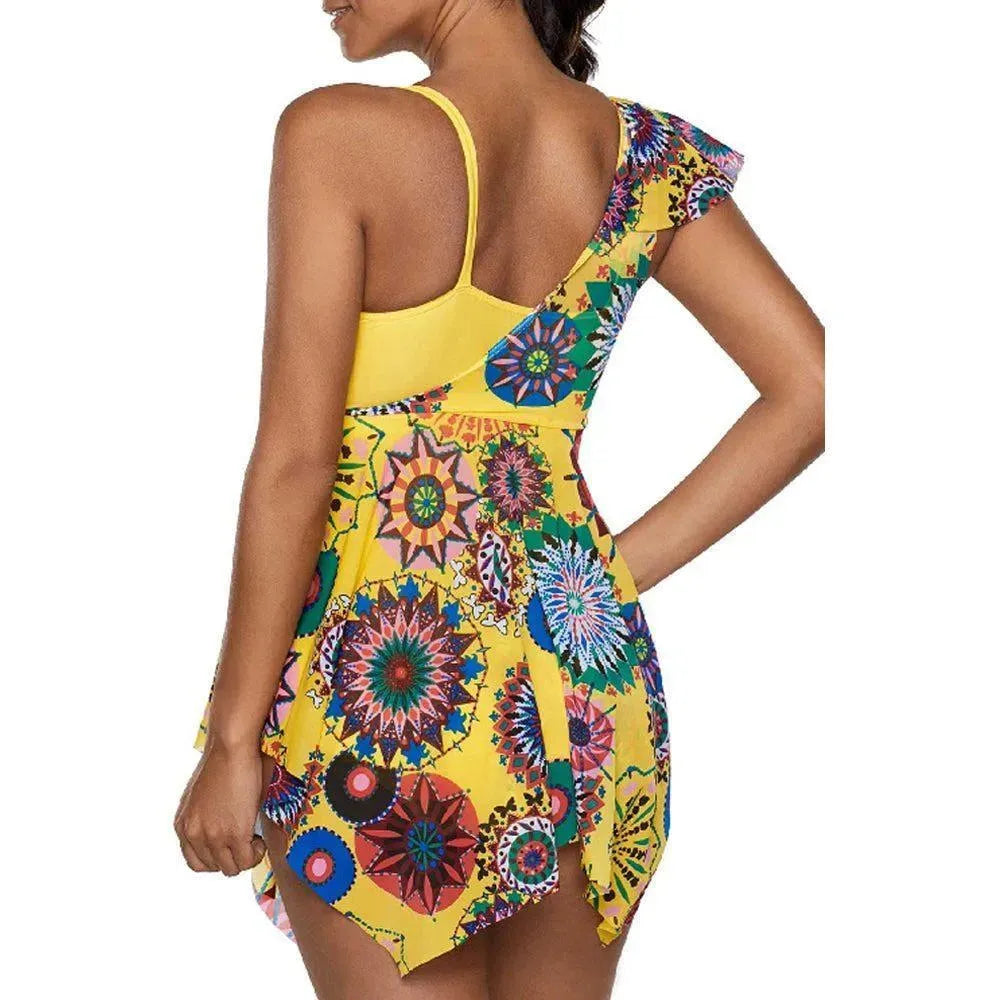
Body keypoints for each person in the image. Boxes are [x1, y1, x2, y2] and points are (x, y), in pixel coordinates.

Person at [174, 2, 825, 998]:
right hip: (584, 692)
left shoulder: (337, 134)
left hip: (388, 687)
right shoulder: (647, 160)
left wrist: (231, 741)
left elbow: (297, 463)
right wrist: (601, 580)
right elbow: (813, 388)